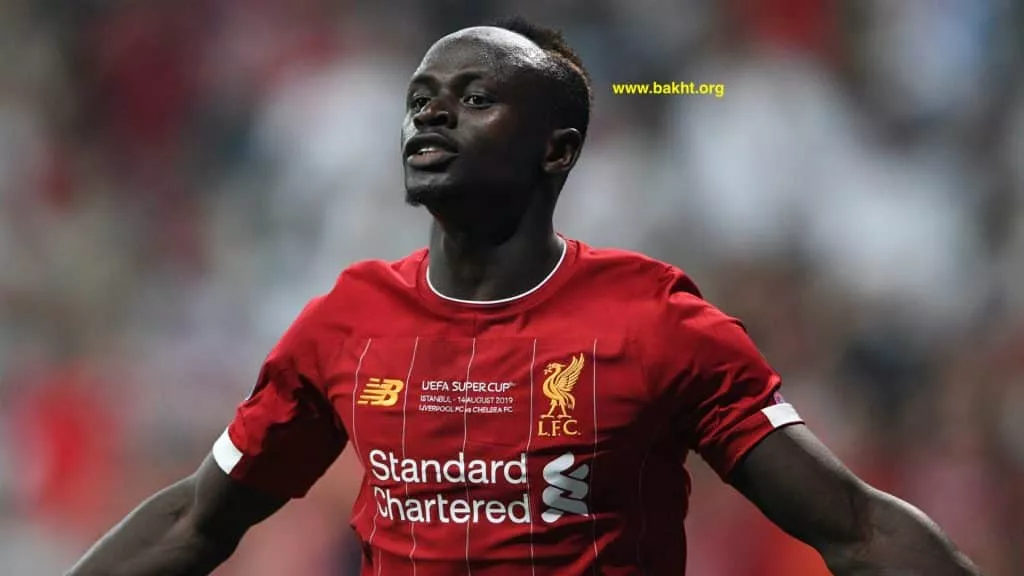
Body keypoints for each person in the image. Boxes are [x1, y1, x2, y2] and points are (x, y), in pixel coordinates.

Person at [67, 17, 983, 576]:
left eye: (475, 98)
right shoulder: (346, 323)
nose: (431, 114)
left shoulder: (655, 322)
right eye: (421, 98)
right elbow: (197, 519)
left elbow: (856, 531)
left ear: (558, 150)